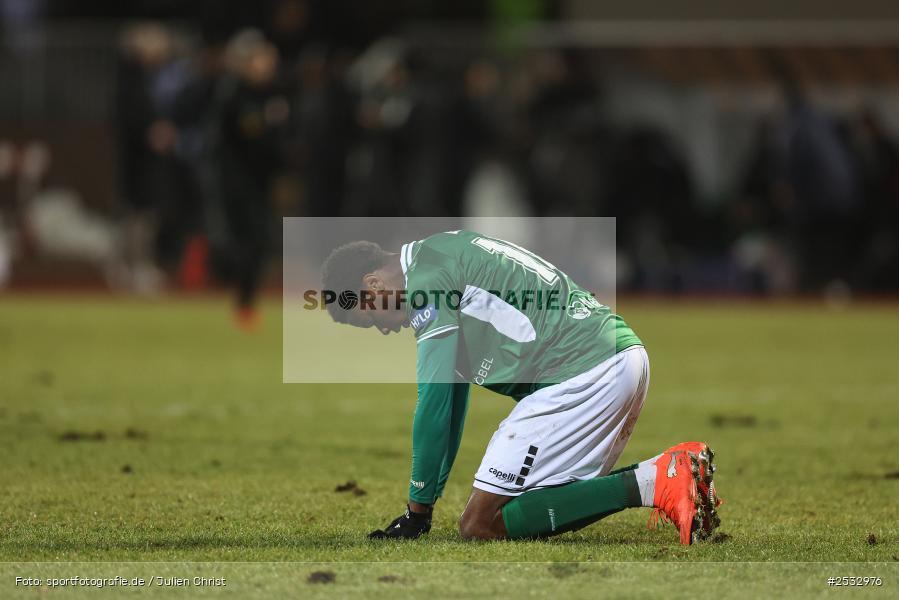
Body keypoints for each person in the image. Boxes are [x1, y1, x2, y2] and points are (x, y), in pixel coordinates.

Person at [320, 230, 721, 543]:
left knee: (480, 523)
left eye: (370, 318)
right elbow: (453, 403)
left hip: (583, 373)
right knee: (521, 506)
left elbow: (434, 403)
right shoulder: (441, 252)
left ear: (372, 284)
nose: (384, 329)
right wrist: (423, 508)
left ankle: (658, 478)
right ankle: (671, 478)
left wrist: (417, 509)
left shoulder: (427, 283)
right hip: (617, 358)